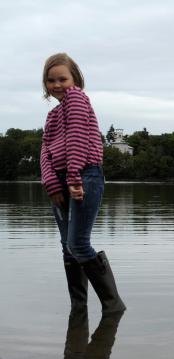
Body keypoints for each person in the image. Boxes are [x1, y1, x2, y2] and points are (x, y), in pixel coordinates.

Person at [40, 53, 126, 316]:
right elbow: (45, 151)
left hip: (85, 176)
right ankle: (78, 310)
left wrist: (74, 179)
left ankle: (113, 307)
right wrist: (52, 183)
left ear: (75, 79)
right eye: (51, 80)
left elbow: (76, 141)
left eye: (62, 79)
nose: (57, 85)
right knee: (67, 246)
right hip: (61, 181)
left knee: (77, 244)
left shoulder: (77, 100)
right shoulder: (53, 114)